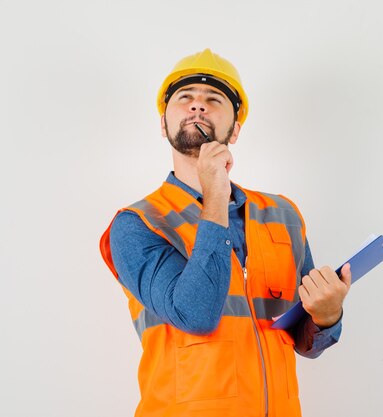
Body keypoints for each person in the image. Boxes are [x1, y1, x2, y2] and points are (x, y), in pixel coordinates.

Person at [99, 48, 351, 417]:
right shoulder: (138, 223)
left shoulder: (283, 214)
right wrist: (214, 192)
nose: (197, 106)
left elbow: (303, 342)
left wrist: (327, 315)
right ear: (163, 123)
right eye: (184, 98)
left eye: (213, 100)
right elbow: (194, 313)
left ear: (235, 129)